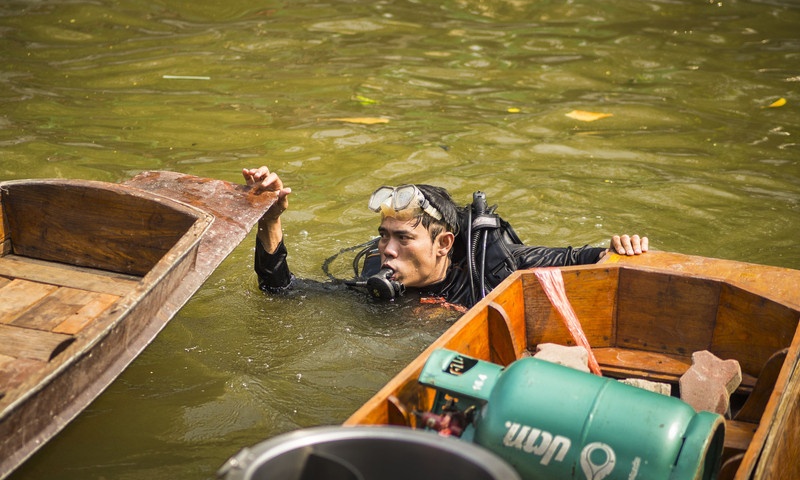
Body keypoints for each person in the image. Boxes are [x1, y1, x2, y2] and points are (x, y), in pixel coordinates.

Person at [243, 166, 648, 310]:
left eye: (403, 238)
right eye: (383, 236)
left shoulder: (499, 266)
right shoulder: (376, 281)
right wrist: (269, 219)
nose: (387, 250)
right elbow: (280, 291)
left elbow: (587, 259)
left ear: (443, 245)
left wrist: (623, 250)